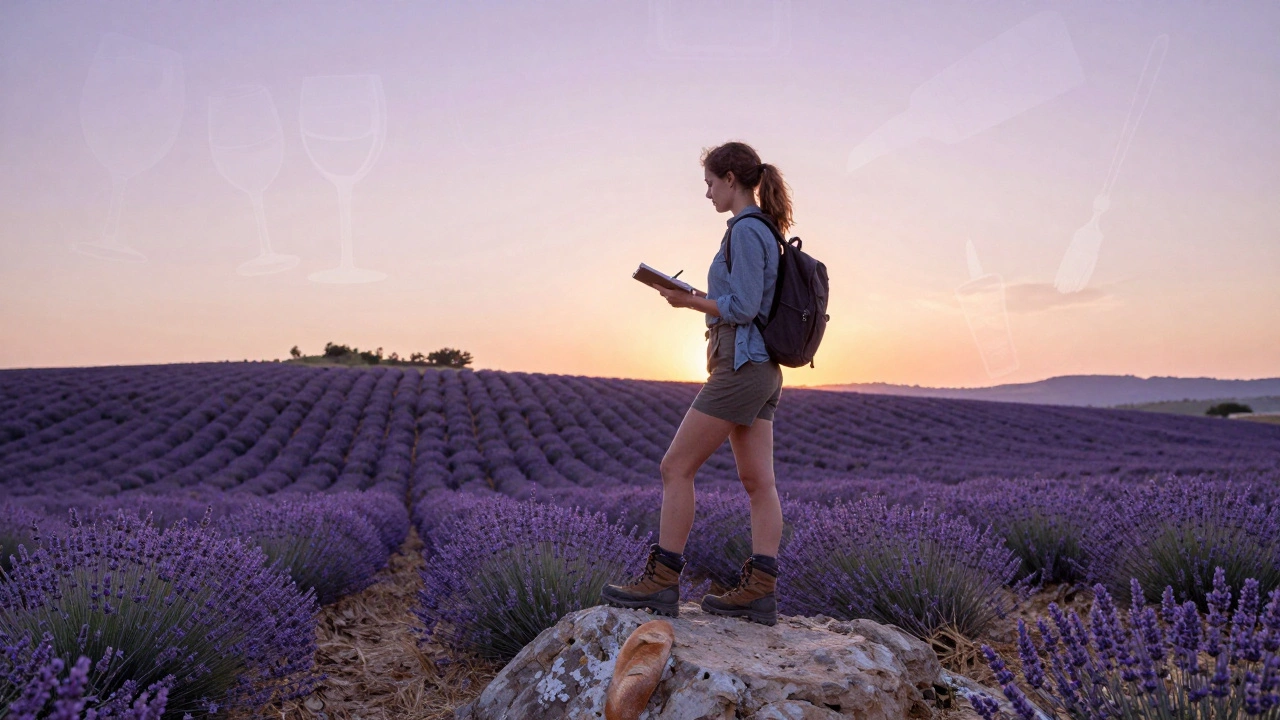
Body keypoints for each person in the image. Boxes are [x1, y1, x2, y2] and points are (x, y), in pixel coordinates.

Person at [601, 141, 792, 626]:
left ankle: (663, 581)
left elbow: (746, 308)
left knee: (675, 466)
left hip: (741, 364)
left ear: (731, 178)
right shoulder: (763, 229)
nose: (706, 194)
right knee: (758, 482)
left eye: (709, 183)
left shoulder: (747, 231)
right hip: (762, 368)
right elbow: (747, 300)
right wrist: (696, 295)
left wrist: (690, 303)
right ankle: (760, 592)